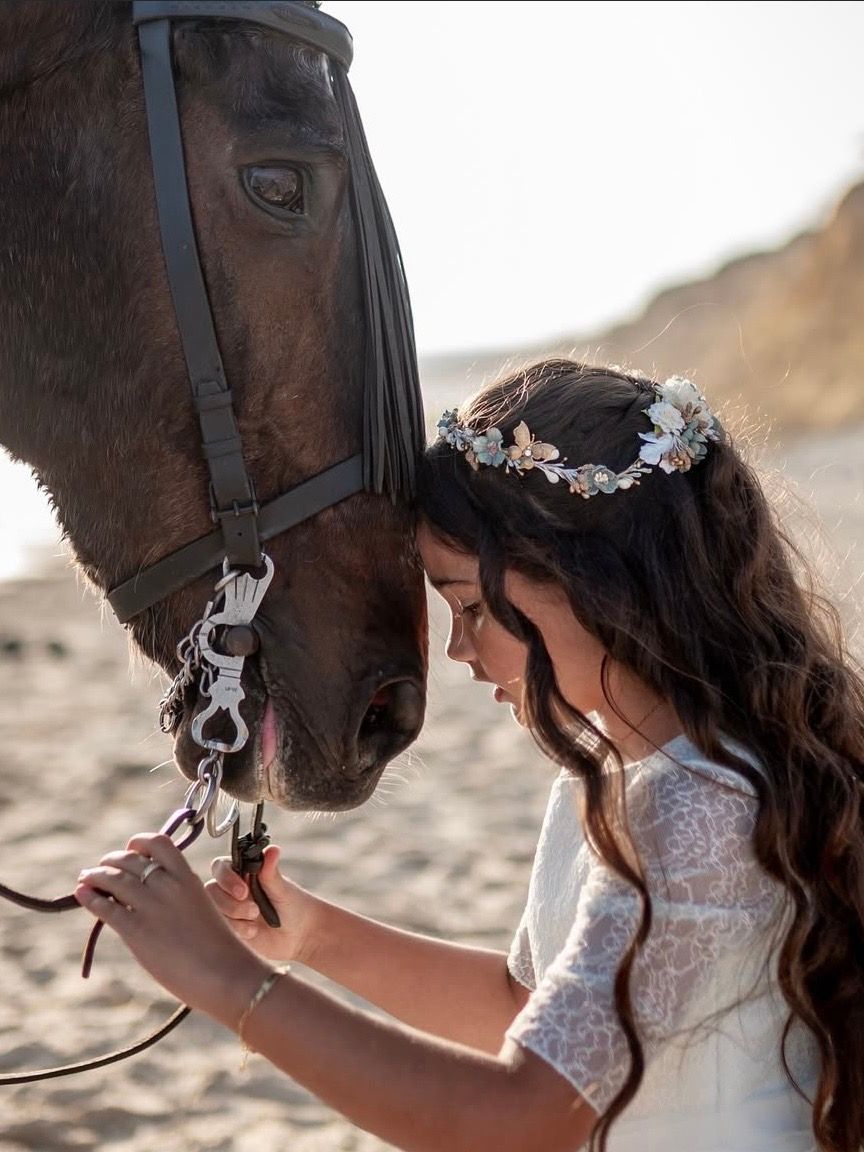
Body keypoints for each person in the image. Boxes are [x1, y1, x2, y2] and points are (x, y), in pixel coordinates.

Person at [76, 360, 864, 1152]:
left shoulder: (696, 802)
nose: (456, 649)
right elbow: (526, 1007)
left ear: (598, 581)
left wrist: (227, 982)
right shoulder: (614, 777)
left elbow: (517, 1117)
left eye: (473, 604)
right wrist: (313, 936)